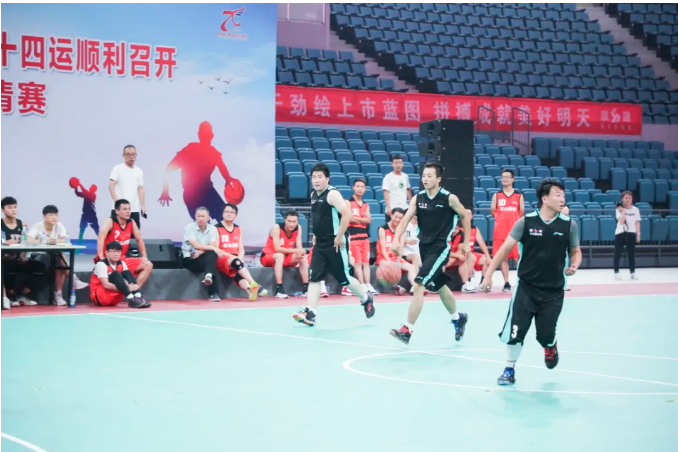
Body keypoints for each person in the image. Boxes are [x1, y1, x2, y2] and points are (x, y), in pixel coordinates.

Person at [481, 179, 581, 386]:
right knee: (516, 332)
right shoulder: (526, 222)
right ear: (545, 199)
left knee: (545, 335)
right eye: (557, 194)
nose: (562, 198)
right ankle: (509, 368)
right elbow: (505, 249)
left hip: (553, 291)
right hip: (526, 288)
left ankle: (550, 346)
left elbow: (575, 251)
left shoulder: (569, 225)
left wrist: (575, 264)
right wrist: (488, 274)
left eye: (563, 194)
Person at [388, 161, 470, 344]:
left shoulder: (449, 198)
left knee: (419, 284)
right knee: (439, 286)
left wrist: (466, 243)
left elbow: (465, 216)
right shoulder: (418, 198)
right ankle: (458, 318)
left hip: (440, 248)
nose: (425, 179)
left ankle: (406, 330)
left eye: (429, 176)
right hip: (424, 247)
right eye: (423, 176)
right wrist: (396, 239)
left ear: (438, 179)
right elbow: (405, 220)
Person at [293, 163, 375, 326]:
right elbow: (319, 217)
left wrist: (339, 237)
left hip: (336, 244)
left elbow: (346, 213)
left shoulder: (332, 194)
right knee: (315, 277)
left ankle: (366, 298)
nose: (316, 180)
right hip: (320, 244)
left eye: (320, 177)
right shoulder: (314, 194)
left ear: (327, 179)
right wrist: (315, 235)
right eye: (314, 177)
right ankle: (311, 313)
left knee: (345, 279)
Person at [158, 121, 242, 220]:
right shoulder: (190, 150)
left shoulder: (211, 153)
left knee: (225, 220)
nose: (206, 137)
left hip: (206, 191)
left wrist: (228, 179)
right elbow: (168, 170)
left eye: (206, 135)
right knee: (206, 224)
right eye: (204, 134)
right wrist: (165, 191)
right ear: (211, 136)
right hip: (192, 193)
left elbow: (223, 169)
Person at [28, 205, 88, 305]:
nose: (54, 217)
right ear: (44, 217)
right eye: (51, 215)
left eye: (56, 215)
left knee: (59, 262)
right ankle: (72, 280)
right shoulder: (37, 226)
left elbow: (65, 240)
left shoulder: (59, 226)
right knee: (59, 258)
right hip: (39, 256)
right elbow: (28, 239)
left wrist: (53, 241)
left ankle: (59, 295)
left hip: (54, 256)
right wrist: (43, 241)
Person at [96, 199, 154, 288]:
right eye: (124, 209)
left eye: (129, 209)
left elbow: (139, 239)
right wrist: (101, 258)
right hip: (109, 259)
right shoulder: (110, 221)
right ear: (117, 211)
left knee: (148, 265)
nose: (128, 211)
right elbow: (100, 238)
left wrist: (144, 256)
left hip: (122, 260)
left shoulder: (131, 222)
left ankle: (135, 291)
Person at [215, 203, 267, 301]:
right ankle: (255, 284)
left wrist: (240, 257)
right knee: (236, 263)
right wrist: (235, 258)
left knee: (238, 274)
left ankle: (249, 290)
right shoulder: (216, 228)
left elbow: (241, 248)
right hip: (221, 258)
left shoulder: (238, 228)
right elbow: (217, 249)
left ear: (235, 215)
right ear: (222, 213)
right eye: (226, 212)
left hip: (235, 260)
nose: (229, 214)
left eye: (231, 212)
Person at [260, 210, 309, 299]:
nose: (292, 224)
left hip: (285, 257)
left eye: (294, 221)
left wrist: (301, 251)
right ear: (285, 220)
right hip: (268, 257)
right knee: (279, 255)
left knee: (302, 257)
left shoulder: (298, 228)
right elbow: (277, 249)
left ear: (297, 221)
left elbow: (299, 247)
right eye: (289, 221)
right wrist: (295, 250)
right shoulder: (277, 228)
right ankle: (279, 289)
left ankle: (306, 288)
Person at [490, 169, 525, 292]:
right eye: (503, 177)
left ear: (512, 179)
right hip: (499, 231)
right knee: (503, 258)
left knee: (518, 257)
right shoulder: (497, 195)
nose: (504, 179)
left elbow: (521, 212)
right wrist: (501, 219)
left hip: (514, 232)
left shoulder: (519, 195)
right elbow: (493, 210)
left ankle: (523, 281)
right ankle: (506, 283)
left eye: (507, 177)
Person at [1, 196, 39, 306]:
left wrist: (23, 256)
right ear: (3, 210)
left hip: (18, 259)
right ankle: (6, 297)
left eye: (15, 207)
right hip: (4, 258)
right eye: (9, 207)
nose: (13, 210)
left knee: (39, 266)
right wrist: (5, 242)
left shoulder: (23, 224)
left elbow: (25, 241)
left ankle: (20, 295)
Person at [90, 241, 150, 308]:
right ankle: (130, 298)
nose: (116, 254)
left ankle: (138, 296)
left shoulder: (122, 263)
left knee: (127, 273)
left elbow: (127, 277)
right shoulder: (101, 264)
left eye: (118, 251)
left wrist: (131, 287)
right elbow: (106, 285)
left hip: (114, 298)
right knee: (116, 274)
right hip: (100, 297)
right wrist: (127, 289)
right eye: (113, 251)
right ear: (107, 253)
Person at [445, 209, 492, 293]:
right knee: (469, 257)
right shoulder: (456, 228)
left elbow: (482, 243)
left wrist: (488, 256)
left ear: (472, 216)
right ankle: (468, 281)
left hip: (464, 253)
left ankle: (483, 284)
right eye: (465, 214)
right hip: (461, 254)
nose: (466, 215)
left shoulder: (475, 229)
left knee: (486, 260)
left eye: (468, 214)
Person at [376, 208, 421, 295]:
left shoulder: (402, 231)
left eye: (400, 218)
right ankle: (396, 286)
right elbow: (383, 249)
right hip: (383, 258)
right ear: (391, 215)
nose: (397, 220)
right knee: (388, 268)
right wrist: (390, 263)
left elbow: (400, 249)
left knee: (411, 267)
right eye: (396, 217)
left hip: (395, 258)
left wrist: (398, 260)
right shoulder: (382, 229)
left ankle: (414, 287)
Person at [182, 207, 223, 301]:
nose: (200, 219)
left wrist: (200, 252)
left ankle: (208, 276)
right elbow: (196, 245)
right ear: (195, 216)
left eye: (203, 216)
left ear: (208, 217)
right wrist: (213, 248)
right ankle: (213, 293)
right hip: (190, 258)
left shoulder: (212, 229)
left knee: (211, 256)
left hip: (203, 257)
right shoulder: (189, 228)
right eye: (198, 216)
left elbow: (211, 245)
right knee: (212, 264)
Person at [345, 178, 378, 296]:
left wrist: (357, 219)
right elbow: (349, 218)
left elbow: (368, 220)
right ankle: (362, 285)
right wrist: (362, 219)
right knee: (357, 263)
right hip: (353, 237)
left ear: (365, 189)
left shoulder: (366, 205)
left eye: (362, 187)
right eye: (357, 186)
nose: (359, 189)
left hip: (364, 238)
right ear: (353, 188)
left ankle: (368, 284)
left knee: (366, 263)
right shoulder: (348, 202)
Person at [109, 145, 145, 229]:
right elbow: (111, 185)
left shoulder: (139, 171)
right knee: (116, 234)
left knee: (135, 234)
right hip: (119, 210)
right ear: (123, 156)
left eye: (133, 154)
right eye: (128, 154)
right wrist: (117, 202)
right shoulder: (117, 169)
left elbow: (141, 189)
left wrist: (143, 206)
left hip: (134, 209)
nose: (131, 157)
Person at [614, 191, 641, 280]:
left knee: (631, 254)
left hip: (631, 233)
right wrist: (623, 211)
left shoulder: (635, 209)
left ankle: (632, 273)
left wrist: (638, 234)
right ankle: (617, 272)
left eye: (629, 198)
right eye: (626, 198)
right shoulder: (618, 209)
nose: (628, 199)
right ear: (622, 199)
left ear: (632, 199)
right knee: (617, 254)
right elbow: (621, 221)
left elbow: (637, 222)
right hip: (620, 233)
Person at [382, 154, 412, 222]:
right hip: (392, 208)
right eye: (396, 163)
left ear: (403, 164)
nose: (398, 165)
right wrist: (388, 207)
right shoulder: (388, 177)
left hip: (404, 207)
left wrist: (410, 202)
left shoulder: (405, 176)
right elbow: (386, 192)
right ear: (392, 164)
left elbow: (408, 189)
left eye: (400, 163)